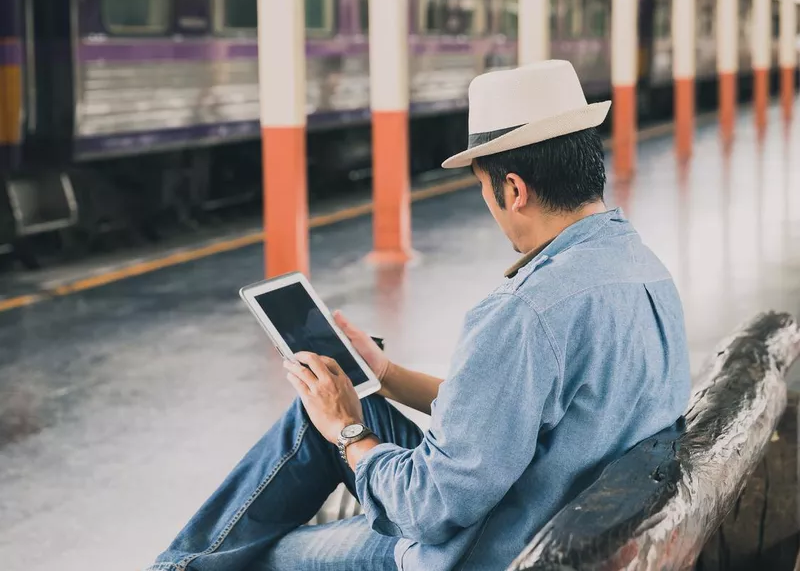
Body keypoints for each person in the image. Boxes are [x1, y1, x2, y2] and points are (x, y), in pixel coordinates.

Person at [146, 60, 691, 571]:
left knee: (265, 553)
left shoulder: (524, 312)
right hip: (555, 511)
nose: (490, 205)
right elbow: (516, 411)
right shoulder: (641, 266)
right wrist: (384, 377)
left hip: (481, 549)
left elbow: (432, 508)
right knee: (328, 401)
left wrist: (347, 432)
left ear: (515, 189)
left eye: (485, 189)